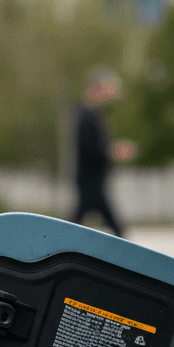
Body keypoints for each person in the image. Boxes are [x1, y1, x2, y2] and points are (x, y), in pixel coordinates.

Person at [71, 68, 125, 237]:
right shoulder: (85, 116)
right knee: (116, 229)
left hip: (93, 181)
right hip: (90, 182)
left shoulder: (93, 115)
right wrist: (112, 153)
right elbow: (89, 150)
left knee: (73, 224)